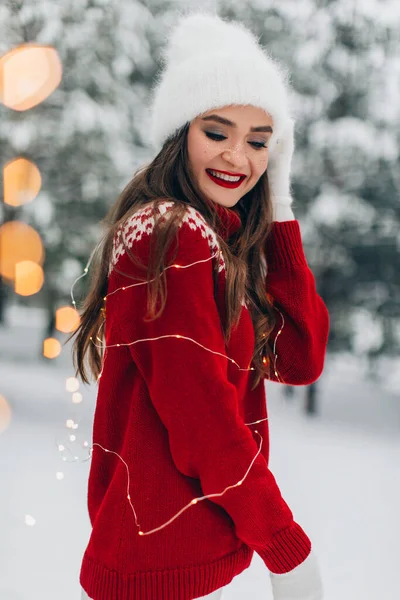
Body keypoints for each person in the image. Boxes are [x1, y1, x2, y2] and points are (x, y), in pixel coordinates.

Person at [72, 10, 330, 600]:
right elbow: (202, 418)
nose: (238, 157)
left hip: (184, 558)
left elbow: (299, 358)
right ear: (180, 132)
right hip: (159, 566)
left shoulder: (215, 241)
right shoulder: (173, 231)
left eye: (259, 142)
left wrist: (281, 207)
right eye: (217, 132)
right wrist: (283, 543)